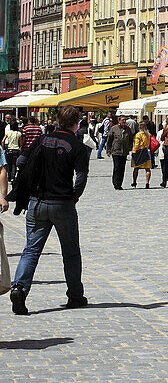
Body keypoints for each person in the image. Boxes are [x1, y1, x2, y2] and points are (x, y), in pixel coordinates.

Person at [9, 104, 89, 316]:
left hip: (37, 202)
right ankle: (75, 295)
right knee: (70, 251)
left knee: (31, 250)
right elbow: (80, 177)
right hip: (62, 203)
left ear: (58, 121)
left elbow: (20, 159)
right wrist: (74, 196)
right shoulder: (77, 145)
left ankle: (19, 288)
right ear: (75, 122)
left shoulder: (42, 139)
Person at [106, 115, 133, 190]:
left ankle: (120, 183)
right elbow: (109, 140)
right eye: (123, 120)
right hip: (116, 151)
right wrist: (108, 150)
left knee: (122, 168)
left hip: (124, 152)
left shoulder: (128, 129)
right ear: (119, 121)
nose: (124, 121)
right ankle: (115, 183)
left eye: (125, 120)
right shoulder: (114, 128)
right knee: (117, 167)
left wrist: (129, 148)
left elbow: (130, 139)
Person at [130, 122, 153, 188]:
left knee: (136, 168)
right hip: (147, 152)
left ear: (139, 127)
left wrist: (134, 151)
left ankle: (134, 182)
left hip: (139, 152)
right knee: (147, 169)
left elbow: (137, 144)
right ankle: (147, 183)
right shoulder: (148, 134)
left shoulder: (138, 135)